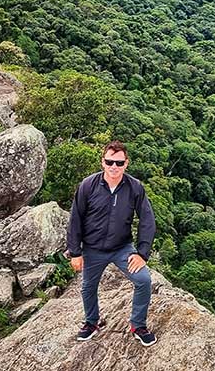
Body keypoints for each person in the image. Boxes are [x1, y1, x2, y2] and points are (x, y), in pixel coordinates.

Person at [65, 141, 157, 346]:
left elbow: (147, 220)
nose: (114, 167)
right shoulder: (88, 185)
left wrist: (142, 253)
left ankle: (138, 325)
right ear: (102, 162)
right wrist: (75, 252)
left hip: (122, 248)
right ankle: (91, 322)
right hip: (92, 248)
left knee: (143, 280)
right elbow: (75, 218)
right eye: (109, 162)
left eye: (119, 162)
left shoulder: (135, 188)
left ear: (126, 163)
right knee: (88, 288)